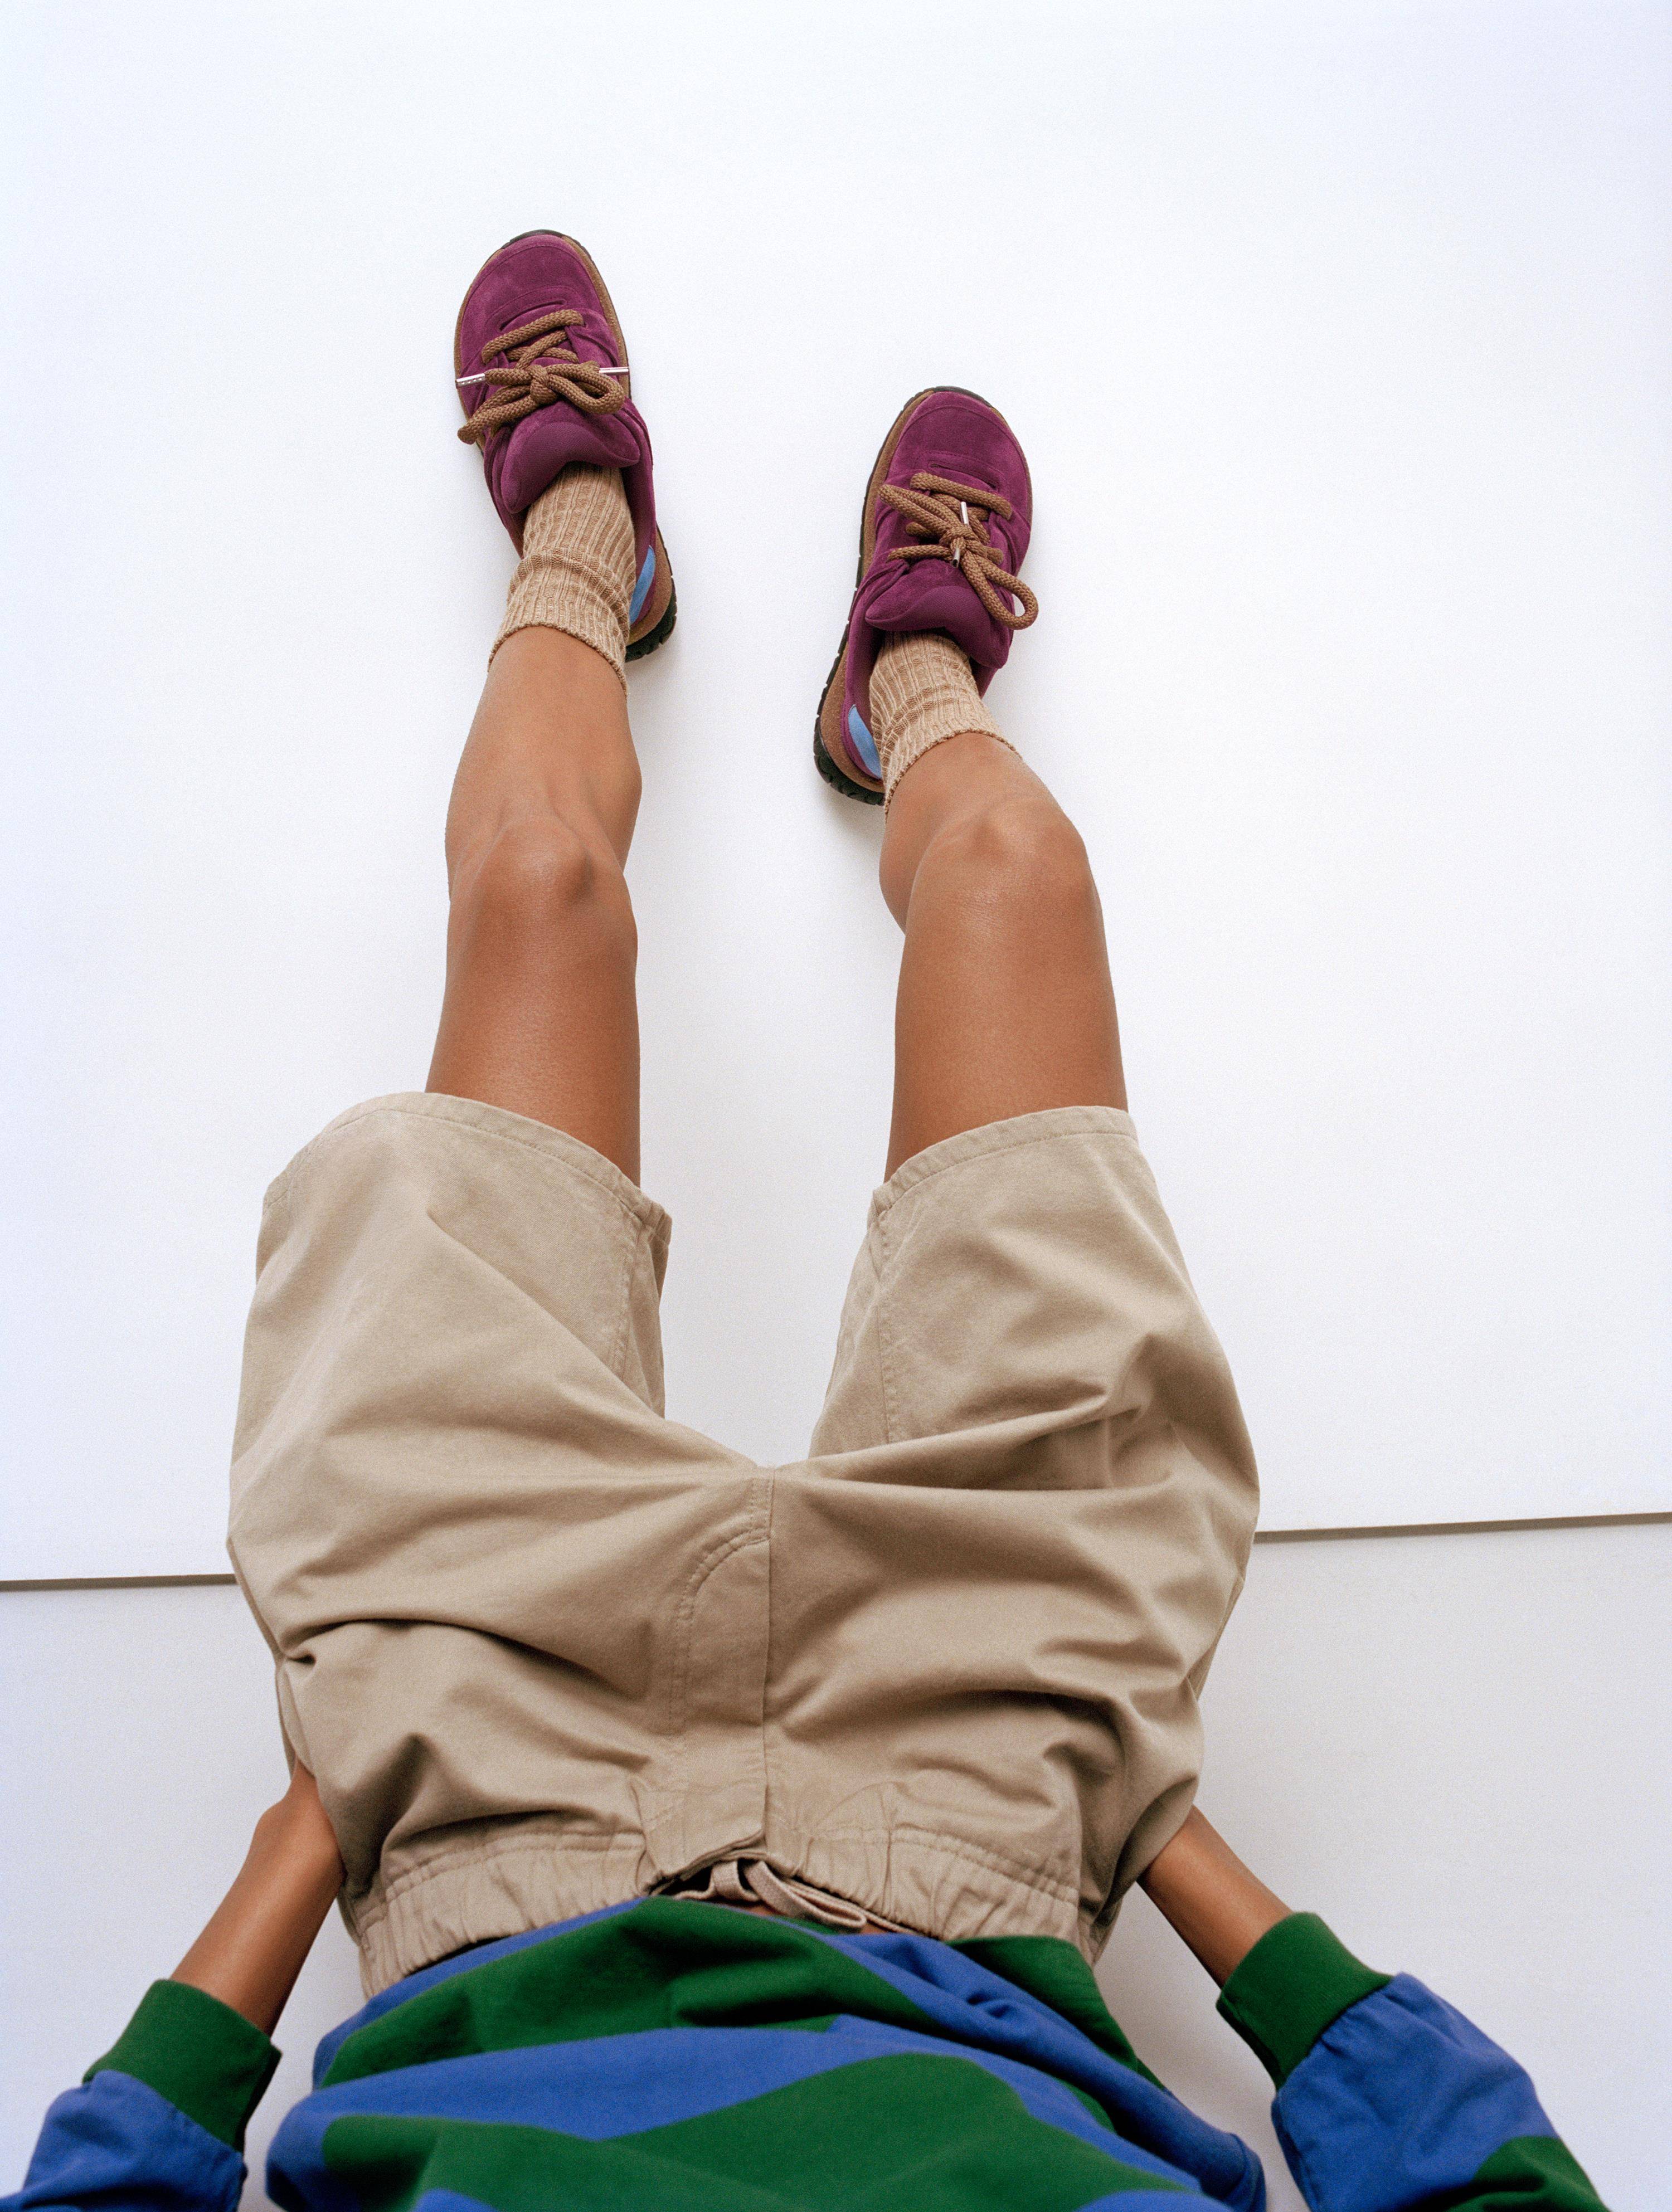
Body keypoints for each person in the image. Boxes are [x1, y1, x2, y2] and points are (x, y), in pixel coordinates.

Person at [4, 234, 1607, 2212]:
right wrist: (1164, 1836)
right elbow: (1501, 2192)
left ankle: (584, 542)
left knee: (533, 899)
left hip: (497, 1824)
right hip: (983, 1820)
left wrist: (296, 1856)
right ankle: (908, 688)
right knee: (1018, 870)